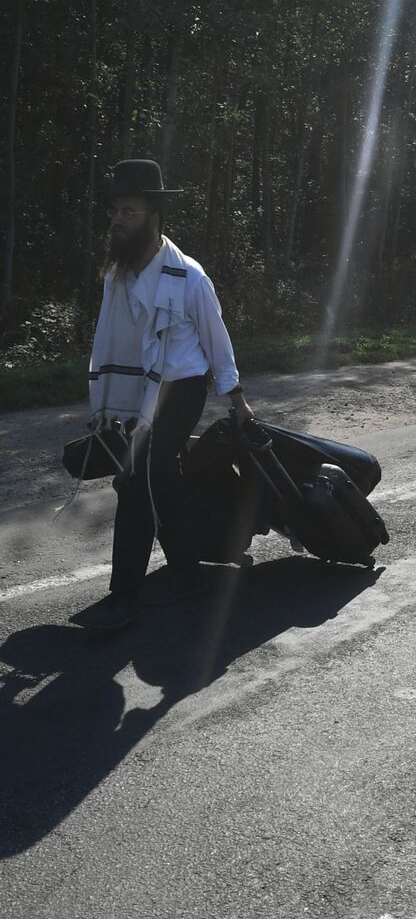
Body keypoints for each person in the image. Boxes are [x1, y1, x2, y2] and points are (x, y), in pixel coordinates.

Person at [73, 159, 255, 630]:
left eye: (128, 211)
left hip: (183, 388)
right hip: (142, 392)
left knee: (137, 479)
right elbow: (114, 340)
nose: (116, 220)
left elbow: (217, 341)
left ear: (153, 216)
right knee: (160, 477)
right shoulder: (118, 276)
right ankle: (188, 566)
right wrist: (112, 407)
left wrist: (237, 402)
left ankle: (124, 594)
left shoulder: (189, 277)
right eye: (114, 211)